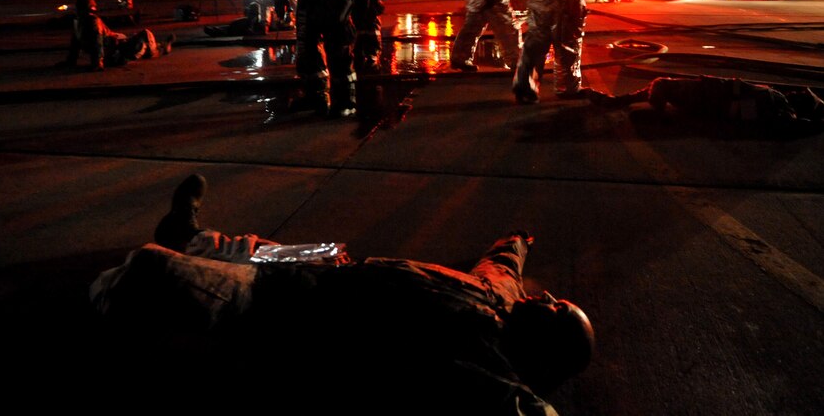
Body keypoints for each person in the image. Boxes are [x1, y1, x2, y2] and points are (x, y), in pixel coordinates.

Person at [90, 173, 595, 413]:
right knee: (267, 249)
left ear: (545, 348)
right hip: (332, 271)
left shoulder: (488, 369)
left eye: (556, 309)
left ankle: (116, 303)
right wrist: (520, 238)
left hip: (285, 311)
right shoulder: (499, 296)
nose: (548, 299)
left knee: (149, 269)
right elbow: (503, 264)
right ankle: (185, 235)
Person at [586, 75, 824, 136]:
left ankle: (647, 111)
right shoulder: (778, 106)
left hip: (708, 98)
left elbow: (790, 127)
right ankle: (621, 103)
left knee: (661, 86)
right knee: (660, 88)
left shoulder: (777, 102)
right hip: (710, 102)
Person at [65, 0, 174, 71]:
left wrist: (71, 60)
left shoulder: (78, 22)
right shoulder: (92, 21)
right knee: (145, 35)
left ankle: (162, 45)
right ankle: (163, 47)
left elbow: (76, 43)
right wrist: (98, 62)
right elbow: (97, 41)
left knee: (141, 42)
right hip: (117, 51)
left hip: (115, 48)